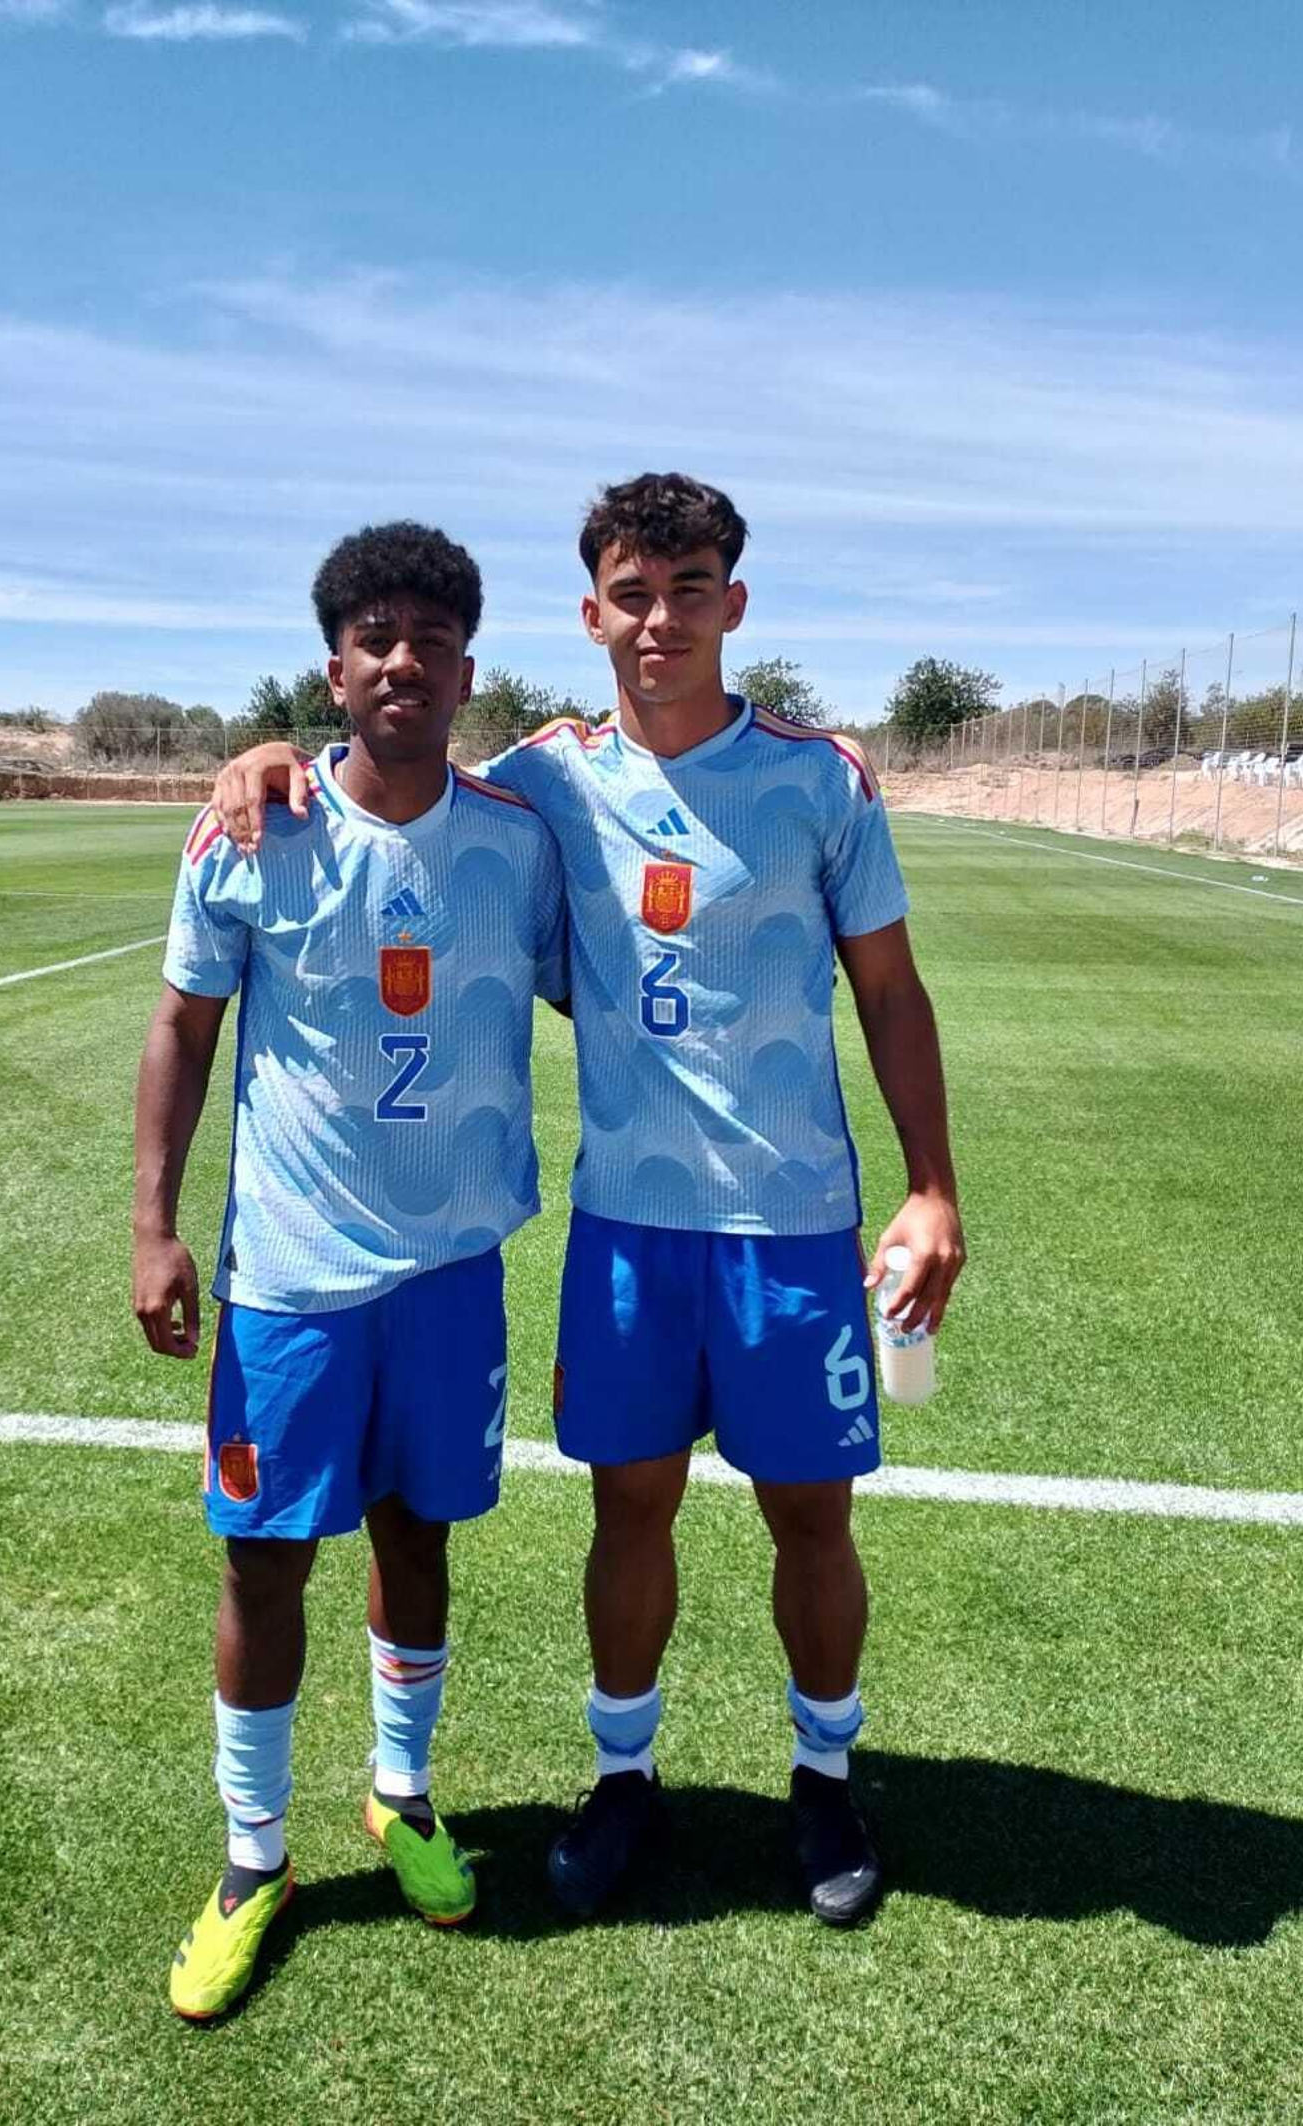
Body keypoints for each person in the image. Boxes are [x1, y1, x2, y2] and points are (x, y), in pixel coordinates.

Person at [210, 473, 965, 1929]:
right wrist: (262, 757)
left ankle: (822, 1776)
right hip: (625, 1224)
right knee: (632, 1511)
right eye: (634, 592)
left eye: (691, 590)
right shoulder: (547, 781)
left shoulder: (821, 781)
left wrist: (933, 1187)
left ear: (733, 604)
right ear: (592, 612)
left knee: (814, 1518)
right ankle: (625, 1780)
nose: (660, 619)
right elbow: (395, 754)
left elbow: (890, 987)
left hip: (794, 1225)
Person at [134, 521, 566, 2021]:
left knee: (422, 1534)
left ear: (466, 667)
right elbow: (185, 1025)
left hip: (451, 1271)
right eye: (373, 636)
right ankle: (255, 1858)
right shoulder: (252, 831)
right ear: (336, 665)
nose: (401, 659)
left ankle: (403, 1794)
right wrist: (152, 1222)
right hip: (293, 1281)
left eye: (429, 637)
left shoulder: (520, 841)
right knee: (264, 1560)